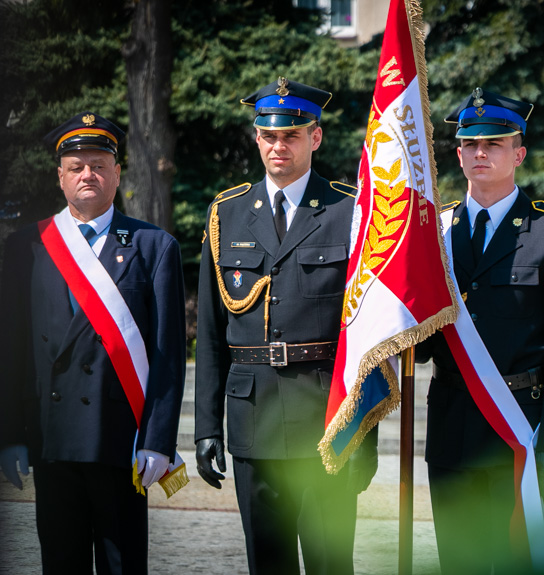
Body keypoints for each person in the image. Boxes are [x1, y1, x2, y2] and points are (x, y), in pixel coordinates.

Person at [194, 77, 378, 575]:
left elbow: (367, 336)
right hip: (252, 416)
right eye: (269, 136)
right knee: (267, 565)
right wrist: (206, 427)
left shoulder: (351, 210)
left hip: (327, 419)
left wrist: (364, 434)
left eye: (292, 135)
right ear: (257, 138)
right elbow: (211, 336)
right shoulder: (226, 214)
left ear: (314, 138)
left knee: (330, 563)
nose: (279, 146)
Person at [0, 112, 187, 574]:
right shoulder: (26, 246)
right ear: (60, 176)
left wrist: (158, 441)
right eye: (77, 166)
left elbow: (167, 357)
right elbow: (12, 352)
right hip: (50, 439)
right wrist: (9, 437)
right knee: (60, 563)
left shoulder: (153, 246)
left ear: (117, 173)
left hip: (121, 443)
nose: (89, 174)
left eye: (100, 165)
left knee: (123, 565)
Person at [417, 88, 544, 574]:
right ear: (457, 153)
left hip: (519, 429)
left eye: (493, 144)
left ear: (519, 153)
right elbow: (427, 343)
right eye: (470, 144)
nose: (480, 153)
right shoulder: (436, 232)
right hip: (451, 428)